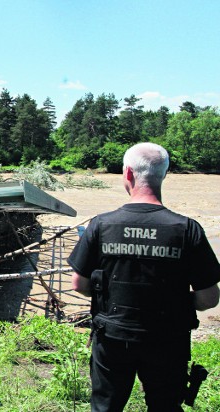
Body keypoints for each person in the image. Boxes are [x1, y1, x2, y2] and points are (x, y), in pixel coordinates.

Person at [68, 142, 220, 411]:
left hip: (112, 337)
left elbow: (79, 283)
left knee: (105, 407)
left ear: (127, 173)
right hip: (168, 340)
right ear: (164, 175)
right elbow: (209, 298)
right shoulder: (188, 229)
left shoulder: (101, 225)